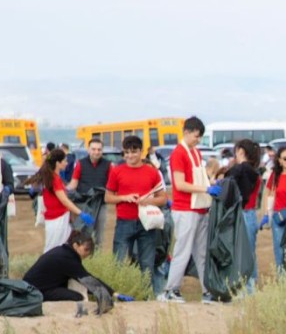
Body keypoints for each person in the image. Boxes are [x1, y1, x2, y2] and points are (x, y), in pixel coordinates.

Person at [161, 117, 214, 304]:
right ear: (187, 132)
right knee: (182, 250)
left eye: (200, 137)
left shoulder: (196, 153)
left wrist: (209, 188)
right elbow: (180, 184)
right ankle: (171, 289)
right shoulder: (178, 154)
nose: (198, 140)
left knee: (201, 253)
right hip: (185, 209)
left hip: (199, 208)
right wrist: (206, 189)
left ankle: (208, 290)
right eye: (196, 136)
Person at [106, 135, 166, 295]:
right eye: (126, 152)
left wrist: (148, 201)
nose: (130, 156)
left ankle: (146, 296)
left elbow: (163, 198)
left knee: (147, 262)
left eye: (134, 152)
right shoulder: (117, 171)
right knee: (118, 260)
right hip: (124, 222)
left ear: (141, 152)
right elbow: (107, 197)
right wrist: (123, 197)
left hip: (146, 223)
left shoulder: (152, 172)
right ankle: (117, 294)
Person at [22, 228, 113, 302]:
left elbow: (83, 279)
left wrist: (107, 292)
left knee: (74, 284)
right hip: (35, 291)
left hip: (31, 286)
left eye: (89, 251)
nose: (87, 253)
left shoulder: (65, 252)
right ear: (75, 246)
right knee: (77, 297)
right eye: (86, 249)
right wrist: (112, 293)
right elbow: (87, 280)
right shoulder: (67, 259)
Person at [221, 139, 264, 290]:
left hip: (240, 214)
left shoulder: (239, 170)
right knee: (250, 254)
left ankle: (241, 288)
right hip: (251, 215)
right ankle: (250, 287)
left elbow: (226, 188)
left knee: (238, 254)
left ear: (240, 151)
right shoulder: (255, 171)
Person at [29, 148, 87, 252]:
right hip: (57, 219)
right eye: (64, 161)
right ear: (58, 163)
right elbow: (64, 200)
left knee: (59, 248)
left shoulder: (53, 177)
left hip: (58, 218)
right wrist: (80, 213)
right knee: (52, 249)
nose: (67, 163)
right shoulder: (54, 179)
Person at [69, 137, 113, 250]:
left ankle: (96, 260)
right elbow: (73, 184)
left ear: (102, 150)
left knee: (99, 236)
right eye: (93, 149)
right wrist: (60, 191)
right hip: (83, 205)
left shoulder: (108, 165)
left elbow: (113, 185)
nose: (96, 152)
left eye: (99, 149)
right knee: (82, 234)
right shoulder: (80, 164)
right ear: (88, 150)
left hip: (100, 205)